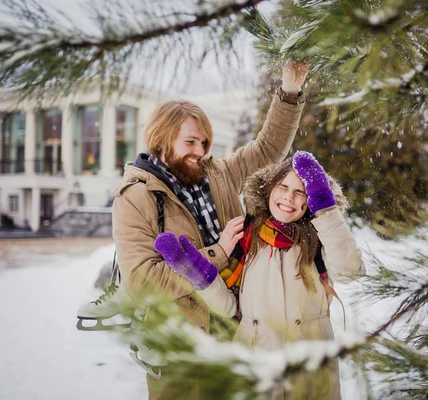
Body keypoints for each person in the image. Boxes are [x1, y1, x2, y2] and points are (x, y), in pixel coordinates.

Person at [111, 61, 309, 398]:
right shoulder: (135, 198)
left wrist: (289, 92)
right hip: (180, 352)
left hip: (236, 335)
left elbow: (267, 149)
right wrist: (216, 253)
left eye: (204, 143)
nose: (200, 152)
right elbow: (143, 282)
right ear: (162, 139)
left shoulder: (218, 173)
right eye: (190, 143)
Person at [154, 150, 366, 399]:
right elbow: (230, 309)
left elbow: (350, 271)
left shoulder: (321, 237)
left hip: (308, 369)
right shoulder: (248, 237)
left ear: (311, 200)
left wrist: (326, 210)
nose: (289, 197)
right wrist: (199, 275)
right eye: (283, 187)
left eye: (301, 192)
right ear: (269, 191)